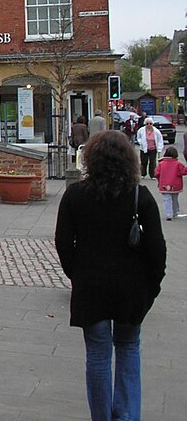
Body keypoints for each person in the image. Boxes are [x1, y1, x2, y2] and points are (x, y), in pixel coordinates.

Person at [54, 130, 166, 421]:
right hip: (131, 288)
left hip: (91, 286)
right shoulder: (140, 197)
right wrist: (150, 289)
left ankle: (102, 417)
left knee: (98, 356)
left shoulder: (76, 195)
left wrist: (76, 274)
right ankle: (127, 416)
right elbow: (157, 251)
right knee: (129, 349)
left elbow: (63, 242)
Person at [155, 146, 187, 221]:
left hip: (164, 185)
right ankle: (175, 212)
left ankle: (168, 214)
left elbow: (157, 173)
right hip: (176, 185)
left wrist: (159, 180)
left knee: (167, 199)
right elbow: (184, 171)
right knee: (175, 199)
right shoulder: (178, 164)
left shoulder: (161, 164)